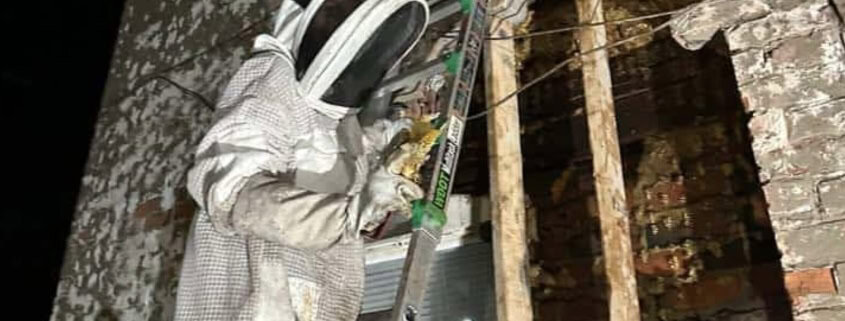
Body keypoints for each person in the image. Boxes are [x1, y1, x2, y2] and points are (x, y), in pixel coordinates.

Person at [174, 0, 431, 320]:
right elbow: (234, 188)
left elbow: (327, 153)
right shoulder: (270, 92)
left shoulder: (311, 110)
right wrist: (352, 213)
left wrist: (385, 140)